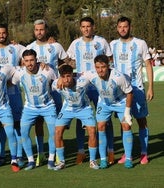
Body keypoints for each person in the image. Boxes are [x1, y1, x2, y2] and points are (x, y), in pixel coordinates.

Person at [66, 16, 115, 165]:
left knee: (105, 118)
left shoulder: (101, 42)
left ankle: (110, 150)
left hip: (99, 87)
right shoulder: (75, 44)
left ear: (93, 27)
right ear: (80, 28)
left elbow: (110, 60)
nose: (86, 29)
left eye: (89, 26)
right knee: (81, 119)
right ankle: (81, 151)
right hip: (82, 88)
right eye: (83, 26)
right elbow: (68, 60)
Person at [110, 16, 154, 164]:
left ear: (130, 27)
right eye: (120, 27)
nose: (123, 29)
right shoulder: (113, 44)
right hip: (120, 92)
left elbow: (148, 64)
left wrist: (150, 88)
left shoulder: (140, 43)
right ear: (117, 28)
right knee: (124, 123)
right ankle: (126, 153)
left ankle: (143, 152)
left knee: (142, 121)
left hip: (137, 89)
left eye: (125, 26)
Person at [26, 19, 69, 166]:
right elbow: (24, 64)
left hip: (55, 91)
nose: (39, 32)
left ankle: (57, 153)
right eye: (37, 30)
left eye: (42, 29)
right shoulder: (30, 47)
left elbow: (66, 61)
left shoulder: (55, 46)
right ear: (34, 31)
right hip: (37, 93)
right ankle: (41, 153)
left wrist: (62, 76)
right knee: (38, 124)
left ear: (46, 30)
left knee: (56, 125)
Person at [79, 54, 134, 169]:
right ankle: (103, 159)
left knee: (126, 126)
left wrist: (127, 112)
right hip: (104, 103)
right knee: (101, 126)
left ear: (108, 66)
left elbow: (129, 93)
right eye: (98, 67)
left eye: (103, 67)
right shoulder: (91, 74)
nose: (100, 70)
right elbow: (76, 76)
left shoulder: (118, 77)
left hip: (120, 102)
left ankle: (128, 158)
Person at [0, 23, 25, 167]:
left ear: (7, 33)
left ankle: (19, 155)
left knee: (17, 125)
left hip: (14, 94)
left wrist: (50, 40)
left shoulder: (17, 48)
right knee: (0, 126)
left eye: (4, 33)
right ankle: (2, 155)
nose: (1, 35)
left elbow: (32, 56)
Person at [11, 49, 57, 170]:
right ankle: (31, 160)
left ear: (36, 60)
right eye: (26, 61)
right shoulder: (19, 73)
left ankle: (51, 160)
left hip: (48, 106)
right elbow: (11, 82)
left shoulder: (47, 71)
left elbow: (56, 84)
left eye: (32, 60)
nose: (29, 63)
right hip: (30, 108)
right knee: (24, 132)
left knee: (53, 132)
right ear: (23, 62)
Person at [52, 64, 99, 170]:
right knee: (58, 132)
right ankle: (61, 161)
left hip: (84, 108)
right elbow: (49, 80)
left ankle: (92, 161)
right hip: (67, 109)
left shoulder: (83, 81)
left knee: (92, 131)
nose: (66, 80)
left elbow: (97, 72)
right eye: (63, 77)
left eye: (68, 76)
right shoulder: (56, 84)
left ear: (73, 75)